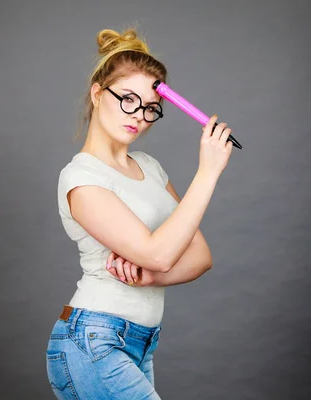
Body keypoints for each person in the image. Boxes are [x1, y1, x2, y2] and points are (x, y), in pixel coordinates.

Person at [46, 27, 234, 399]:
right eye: (128, 99)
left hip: (141, 341)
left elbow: (200, 257)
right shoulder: (81, 177)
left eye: (150, 107)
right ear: (98, 94)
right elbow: (162, 253)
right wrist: (208, 171)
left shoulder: (150, 167)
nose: (140, 116)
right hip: (93, 341)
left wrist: (148, 276)